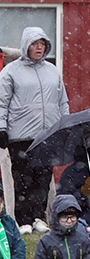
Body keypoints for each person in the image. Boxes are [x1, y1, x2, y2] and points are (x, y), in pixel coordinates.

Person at [0, 24, 71, 231]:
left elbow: (62, 102)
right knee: (22, 179)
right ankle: (23, 221)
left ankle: (39, 218)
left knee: (43, 178)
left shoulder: (53, 71)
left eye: (42, 44)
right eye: (34, 44)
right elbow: (2, 102)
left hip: (47, 135)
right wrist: (1, 128)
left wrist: (64, 126)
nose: (39, 48)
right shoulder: (10, 72)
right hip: (19, 136)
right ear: (26, 46)